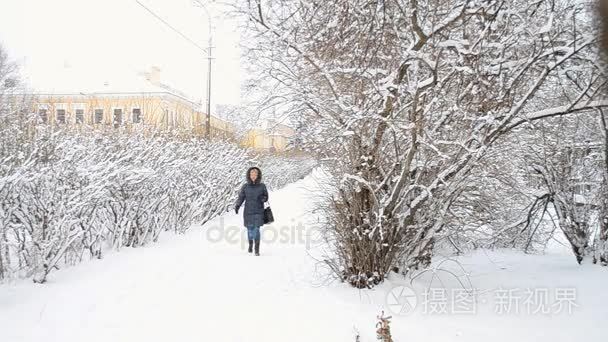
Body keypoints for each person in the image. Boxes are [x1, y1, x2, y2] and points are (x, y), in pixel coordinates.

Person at [234, 166, 269, 256]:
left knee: (256, 229)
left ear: (258, 175)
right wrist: (237, 205)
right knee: (250, 229)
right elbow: (241, 197)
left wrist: (263, 198)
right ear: (249, 175)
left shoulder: (262, 186)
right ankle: (250, 244)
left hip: (259, 211)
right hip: (248, 211)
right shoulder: (245, 186)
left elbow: (266, 196)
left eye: (255, 174)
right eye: (251, 174)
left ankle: (256, 249)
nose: (253, 176)